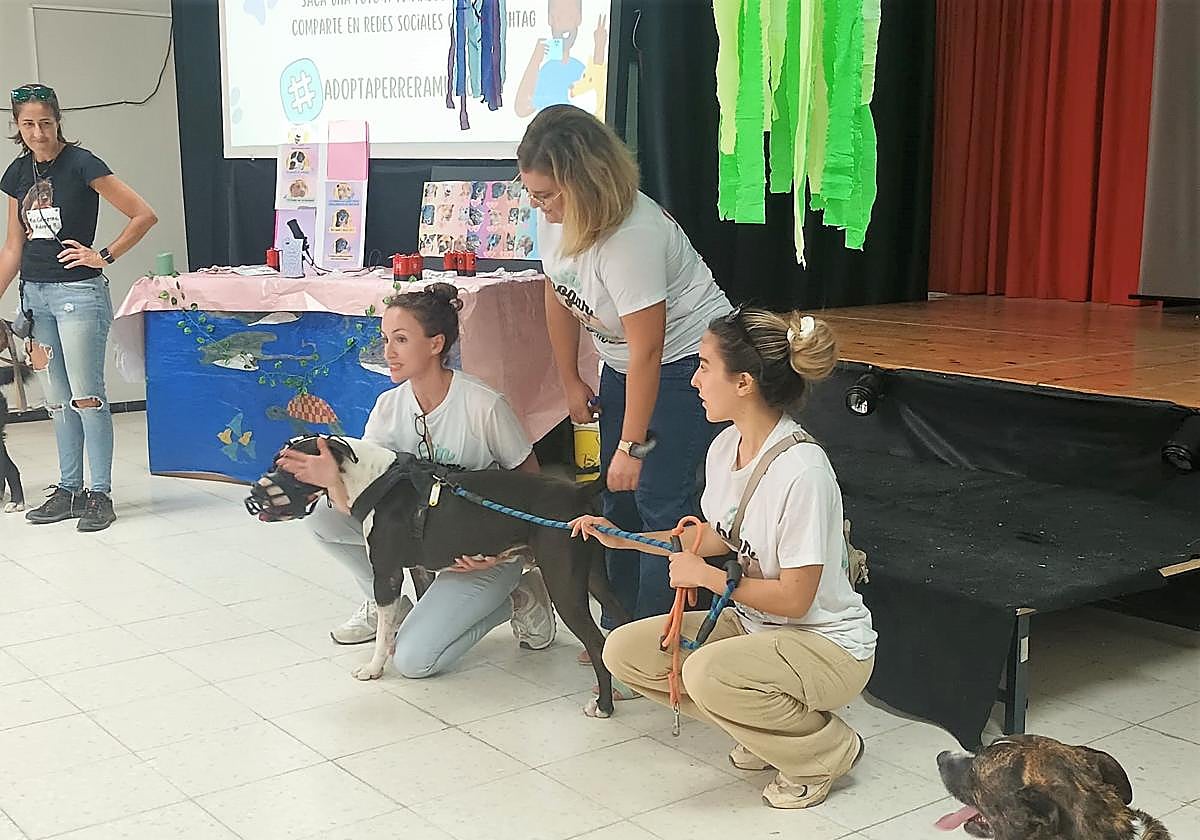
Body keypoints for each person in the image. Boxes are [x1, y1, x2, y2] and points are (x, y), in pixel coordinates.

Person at [571, 308, 877, 810]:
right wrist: (626, 539)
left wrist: (709, 580)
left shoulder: (803, 469)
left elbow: (797, 601)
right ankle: (767, 732)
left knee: (704, 672)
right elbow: (718, 536)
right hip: (760, 627)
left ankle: (825, 751)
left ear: (744, 383)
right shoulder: (726, 445)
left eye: (704, 366)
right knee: (625, 652)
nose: (694, 380)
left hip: (826, 645)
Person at [518, 104, 732, 659]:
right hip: (621, 363)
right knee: (617, 503)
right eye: (531, 194)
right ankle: (620, 628)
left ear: (585, 181)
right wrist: (569, 379)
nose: (537, 207)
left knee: (662, 501)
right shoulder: (558, 216)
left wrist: (632, 445)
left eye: (545, 195)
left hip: (686, 365)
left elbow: (651, 348)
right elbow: (558, 291)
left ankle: (657, 645)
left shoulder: (629, 235)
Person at [278, 284, 558, 677]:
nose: (388, 352)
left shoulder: (483, 405)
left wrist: (502, 550)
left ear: (435, 344)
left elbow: (533, 487)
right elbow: (363, 504)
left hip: (481, 549)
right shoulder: (388, 406)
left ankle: (521, 596)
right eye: (385, 339)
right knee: (322, 518)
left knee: (413, 662)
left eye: (402, 340)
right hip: (425, 536)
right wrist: (332, 481)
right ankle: (383, 601)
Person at [0, 83, 157, 532]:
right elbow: (13, 245)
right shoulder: (17, 174)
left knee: (88, 395)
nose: (37, 132)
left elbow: (143, 214)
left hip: (77, 296)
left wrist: (102, 254)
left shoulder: (83, 163)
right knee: (56, 400)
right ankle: (68, 488)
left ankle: (99, 493)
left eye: (45, 123)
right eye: (27, 124)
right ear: (17, 125)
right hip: (36, 294)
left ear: (58, 120)